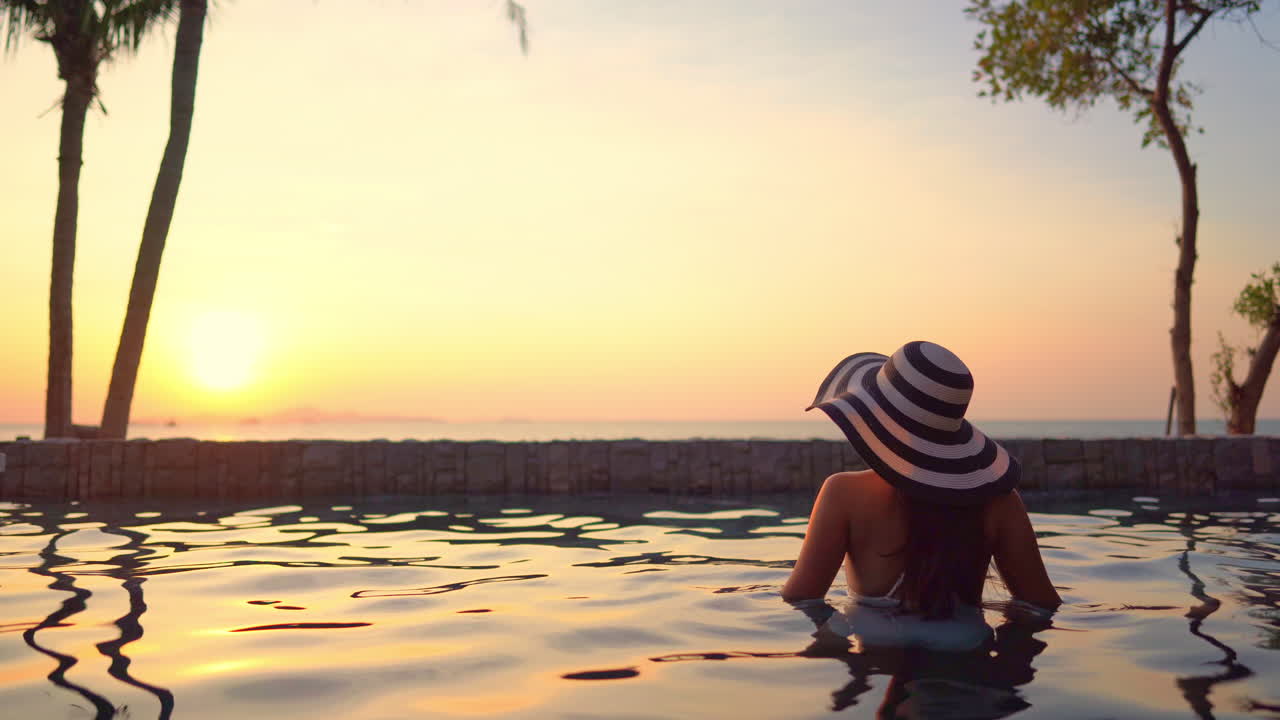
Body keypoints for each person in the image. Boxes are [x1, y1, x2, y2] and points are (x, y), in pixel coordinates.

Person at [782, 341, 1061, 650]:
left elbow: (801, 598)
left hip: (878, 658)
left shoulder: (843, 493)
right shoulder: (1001, 502)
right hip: (968, 656)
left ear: (878, 417)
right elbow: (1040, 605)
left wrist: (852, 672)